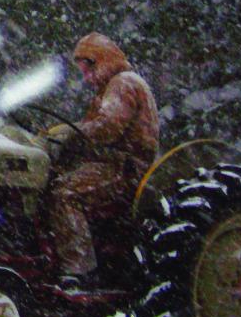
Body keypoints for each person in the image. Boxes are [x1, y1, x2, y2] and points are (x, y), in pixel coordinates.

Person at [44, 32, 159, 290]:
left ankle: (81, 271)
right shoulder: (109, 89)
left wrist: (71, 133)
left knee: (64, 193)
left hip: (124, 169)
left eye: (88, 70)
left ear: (102, 60)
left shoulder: (123, 83)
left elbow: (108, 127)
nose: (86, 78)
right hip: (108, 164)